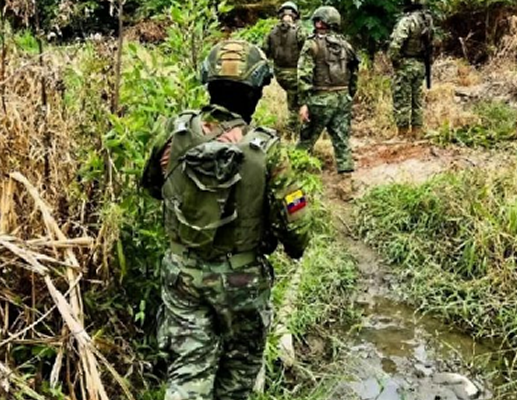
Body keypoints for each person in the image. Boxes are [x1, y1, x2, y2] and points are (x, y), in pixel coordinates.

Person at [140, 39, 311, 400]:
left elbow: (153, 185)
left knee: (187, 372)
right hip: (242, 281)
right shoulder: (267, 149)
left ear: (209, 84)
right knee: (237, 379)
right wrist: (291, 246)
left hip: (183, 275)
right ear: (255, 93)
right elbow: (296, 224)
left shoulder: (174, 132)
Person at [297, 6, 359, 194]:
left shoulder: (312, 44)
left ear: (318, 22)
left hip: (320, 98)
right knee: (342, 139)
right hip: (342, 98)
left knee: (306, 139)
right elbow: (354, 73)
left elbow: (303, 75)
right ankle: (346, 181)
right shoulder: (346, 45)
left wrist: (303, 102)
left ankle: (296, 177)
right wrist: (349, 95)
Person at [388, 0, 434, 138]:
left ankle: (402, 134)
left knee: (402, 99)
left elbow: (396, 45)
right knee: (417, 100)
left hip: (406, 64)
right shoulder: (428, 20)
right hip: (420, 64)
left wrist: (396, 62)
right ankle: (417, 132)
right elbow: (431, 43)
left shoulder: (407, 21)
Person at [262, 1, 306, 134]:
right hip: (294, 73)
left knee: (294, 98)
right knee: (295, 102)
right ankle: (293, 129)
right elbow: (308, 50)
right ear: (295, 15)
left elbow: (264, 51)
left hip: (279, 74)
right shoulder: (299, 31)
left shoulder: (272, 32)